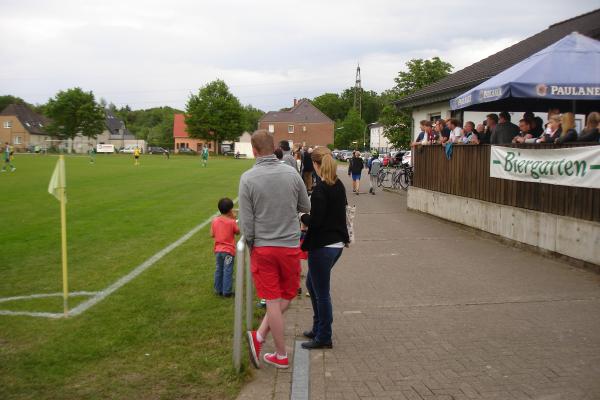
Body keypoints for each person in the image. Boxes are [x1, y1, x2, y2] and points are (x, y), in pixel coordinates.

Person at [241, 130, 310, 370]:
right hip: (289, 246)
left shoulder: (248, 178)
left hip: (265, 248)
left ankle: (266, 342)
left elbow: (246, 223)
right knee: (286, 297)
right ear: (273, 148)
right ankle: (264, 342)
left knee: (275, 300)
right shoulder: (291, 173)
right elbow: (305, 205)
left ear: (254, 150)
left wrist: (251, 247)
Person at [299, 147, 349, 350]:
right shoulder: (338, 184)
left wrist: (301, 216)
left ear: (316, 165)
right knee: (312, 285)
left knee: (321, 293)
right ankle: (318, 328)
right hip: (336, 244)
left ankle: (324, 337)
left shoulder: (321, 189)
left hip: (323, 246)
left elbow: (316, 221)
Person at [210, 198, 240, 297]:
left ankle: (217, 289)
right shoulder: (231, 222)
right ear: (230, 210)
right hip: (228, 252)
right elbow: (237, 232)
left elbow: (212, 234)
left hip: (218, 250)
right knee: (228, 270)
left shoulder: (215, 220)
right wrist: (234, 220)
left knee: (219, 269)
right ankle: (227, 291)